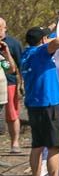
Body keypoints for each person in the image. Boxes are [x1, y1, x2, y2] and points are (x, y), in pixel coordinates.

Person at [21, 28, 59, 176]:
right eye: (46, 38)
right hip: (48, 104)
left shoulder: (26, 54)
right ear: (42, 41)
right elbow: (58, 41)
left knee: (37, 145)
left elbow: (50, 37)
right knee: (54, 146)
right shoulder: (41, 53)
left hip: (33, 105)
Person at [0, 17, 22, 153]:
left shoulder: (12, 44)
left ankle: (15, 142)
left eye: (0, 28)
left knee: (12, 115)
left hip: (9, 84)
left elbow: (13, 67)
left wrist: (21, 84)